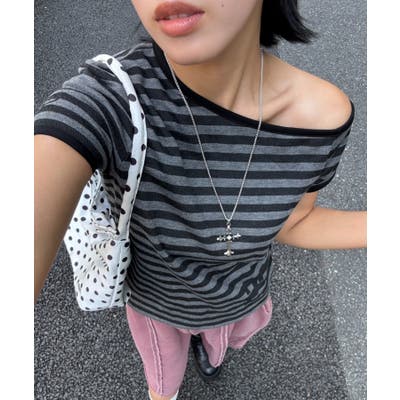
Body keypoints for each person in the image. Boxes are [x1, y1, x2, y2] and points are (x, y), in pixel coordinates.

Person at [34, 1, 367, 399]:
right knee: (163, 384)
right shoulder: (109, 102)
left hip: (239, 299)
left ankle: (209, 348)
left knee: (219, 346)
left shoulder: (323, 119)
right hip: (158, 307)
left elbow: (296, 220)